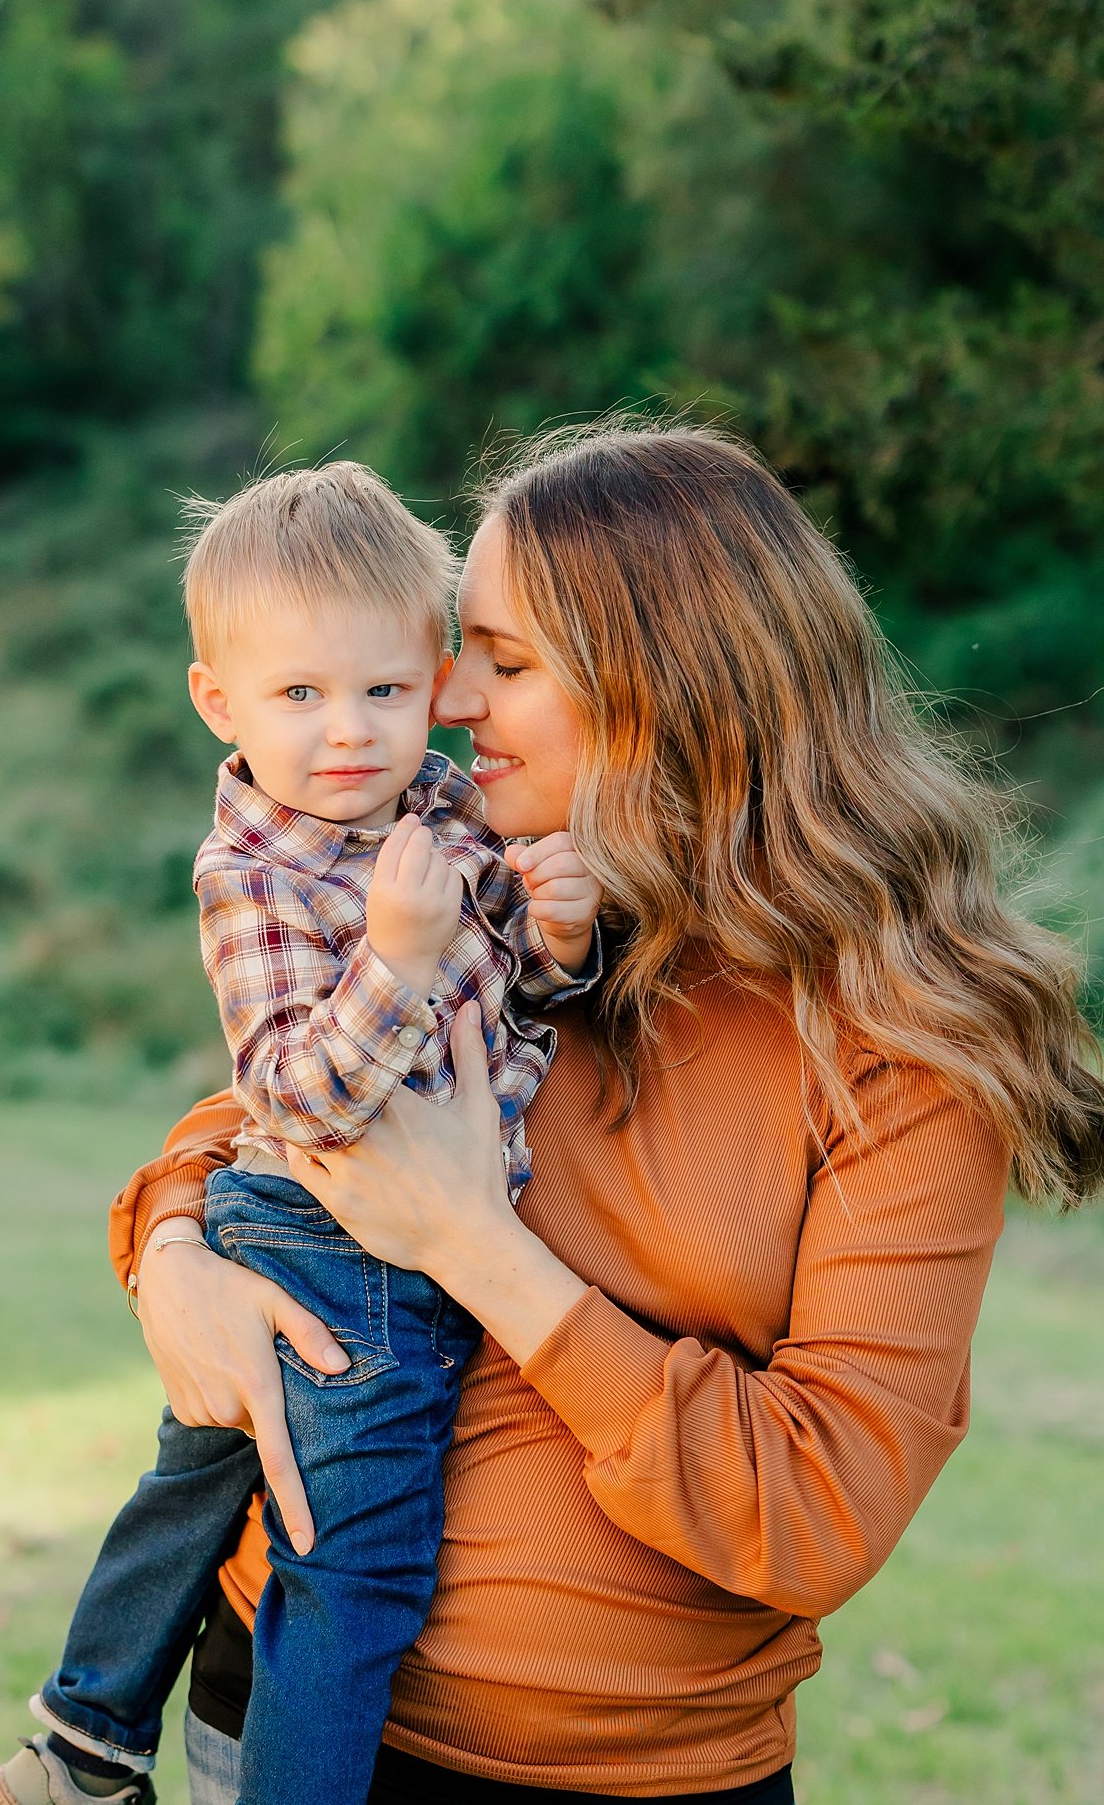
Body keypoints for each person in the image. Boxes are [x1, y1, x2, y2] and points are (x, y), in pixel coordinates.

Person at [111, 420, 1104, 1805]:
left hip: (622, 1776)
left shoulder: (903, 1052)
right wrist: (169, 1248)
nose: (448, 695)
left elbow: (812, 1509)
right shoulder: (526, 911)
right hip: (284, 1718)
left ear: (666, 689)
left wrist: (481, 1250)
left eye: (504, 662)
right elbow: (265, 1103)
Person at [0, 463, 604, 1805]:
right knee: (354, 1567)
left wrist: (557, 938)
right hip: (347, 1240)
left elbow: (515, 1011)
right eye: (301, 695)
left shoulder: (443, 807)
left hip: (322, 1219)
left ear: (436, 678)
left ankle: (83, 1741)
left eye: (383, 690)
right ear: (220, 700)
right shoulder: (253, 872)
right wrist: (393, 957)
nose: (349, 733)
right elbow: (305, 1096)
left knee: (200, 1474)